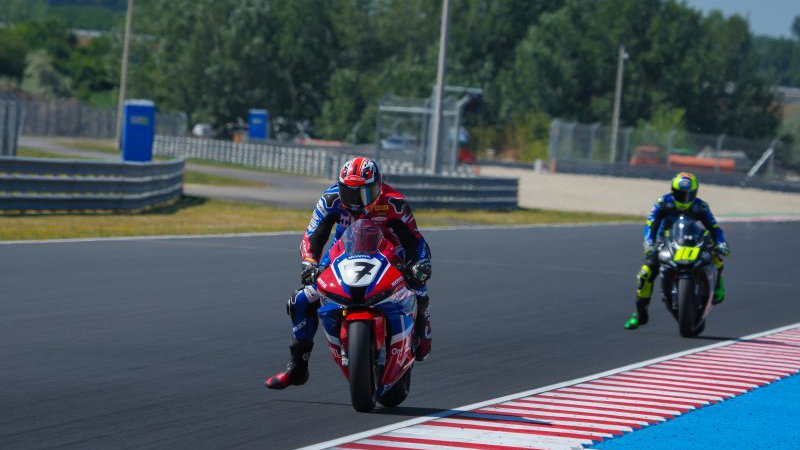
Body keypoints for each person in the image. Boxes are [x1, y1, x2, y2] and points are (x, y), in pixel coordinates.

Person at [266, 157, 432, 389]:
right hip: (343, 256)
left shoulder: (393, 202)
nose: (356, 200)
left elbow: (415, 239)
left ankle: (421, 332)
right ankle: (297, 366)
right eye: (350, 192)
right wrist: (309, 262)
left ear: (377, 187)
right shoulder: (331, 199)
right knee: (300, 300)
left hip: (392, 257)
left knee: (419, 290)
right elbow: (313, 234)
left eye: (364, 193)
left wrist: (420, 264)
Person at [624, 172, 730, 329]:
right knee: (645, 274)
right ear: (673, 191)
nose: (684, 198)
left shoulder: (700, 206)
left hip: (692, 241)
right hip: (665, 241)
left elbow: (714, 228)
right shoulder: (663, 203)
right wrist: (649, 243)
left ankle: (719, 284)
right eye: (680, 194)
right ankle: (640, 314)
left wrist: (722, 243)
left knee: (716, 254)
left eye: (688, 194)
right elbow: (650, 224)